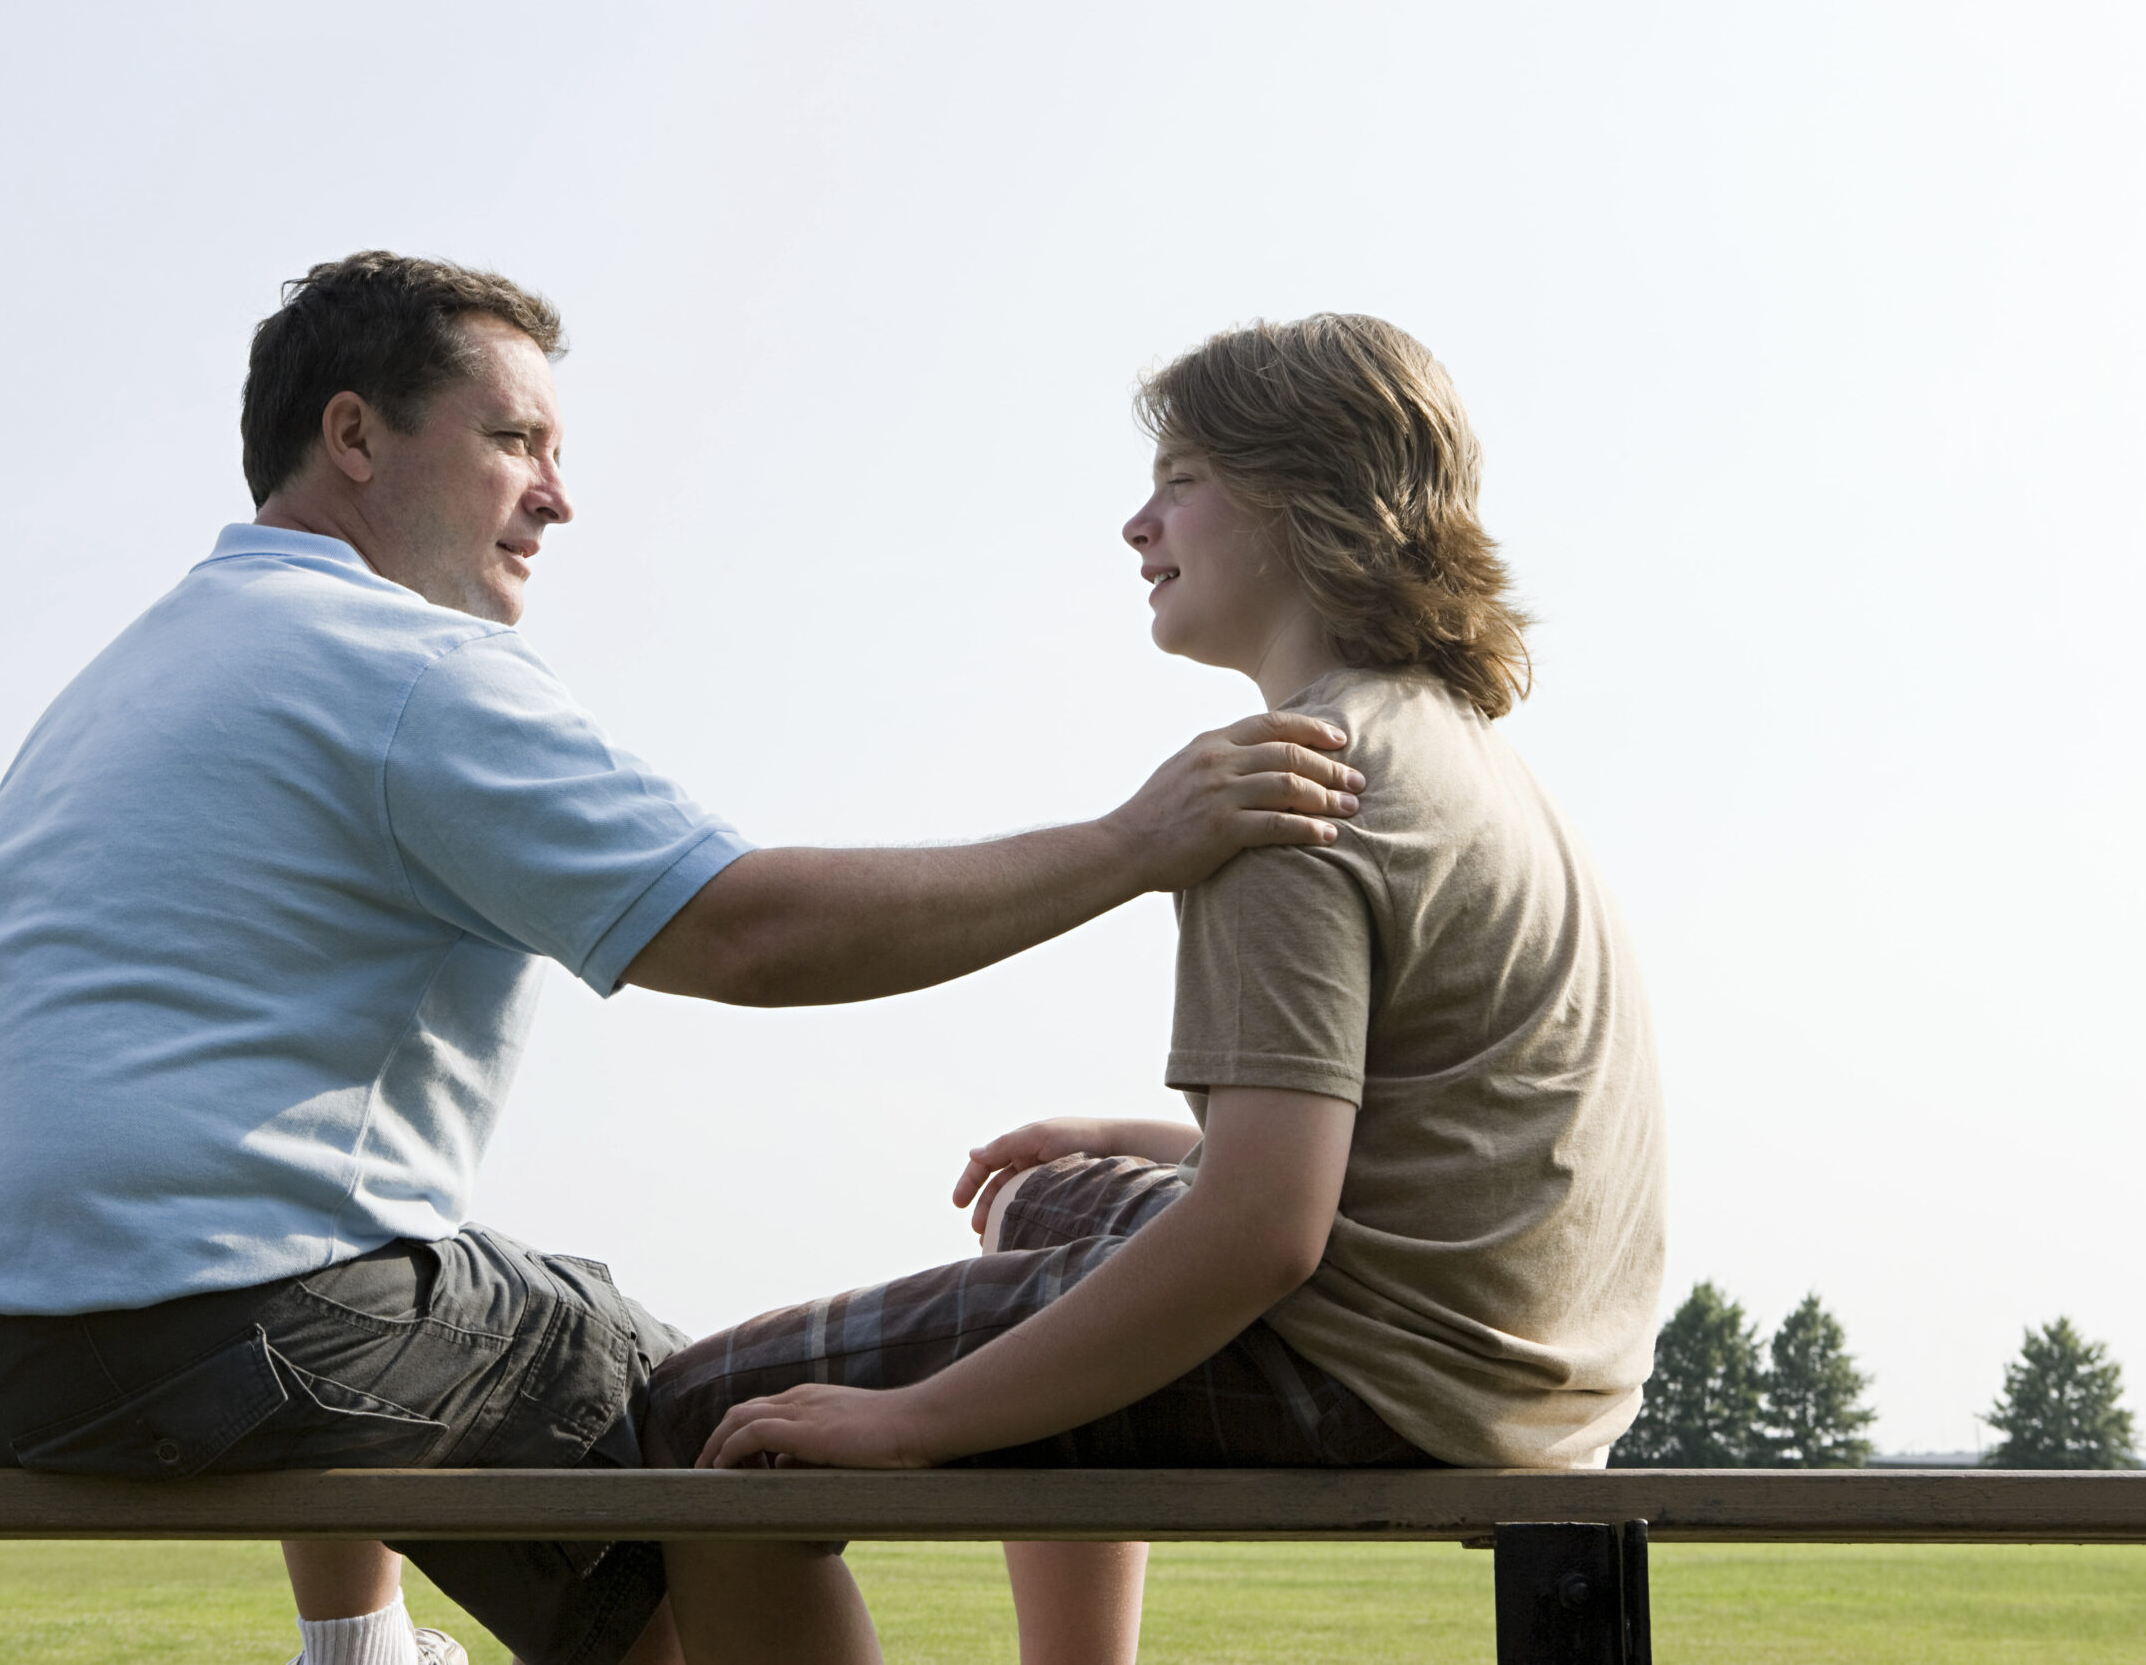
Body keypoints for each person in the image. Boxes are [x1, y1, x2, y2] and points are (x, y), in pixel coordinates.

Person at [0, 252, 1367, 1665]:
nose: (558, 495)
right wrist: (1135, 840)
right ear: (354, 438)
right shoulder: (404, 673)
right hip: (162, 1326)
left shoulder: (149, 665)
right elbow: (748, 932)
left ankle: (354, 1652)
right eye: (515, 440)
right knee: (710, 1437)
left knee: (426, 1263)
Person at [641, 313, 1668, 1665]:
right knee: (1034, 1201)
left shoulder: (1282, 788)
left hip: (1379, 1374)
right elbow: (1457, 1131)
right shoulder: (1456, 749)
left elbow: (1259, 1239)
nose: (1139, 524)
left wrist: (913, 1420)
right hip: (1536, 1369)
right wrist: (1159, 1146)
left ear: (1305, 505)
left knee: (714, 1410)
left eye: (1181, 479)